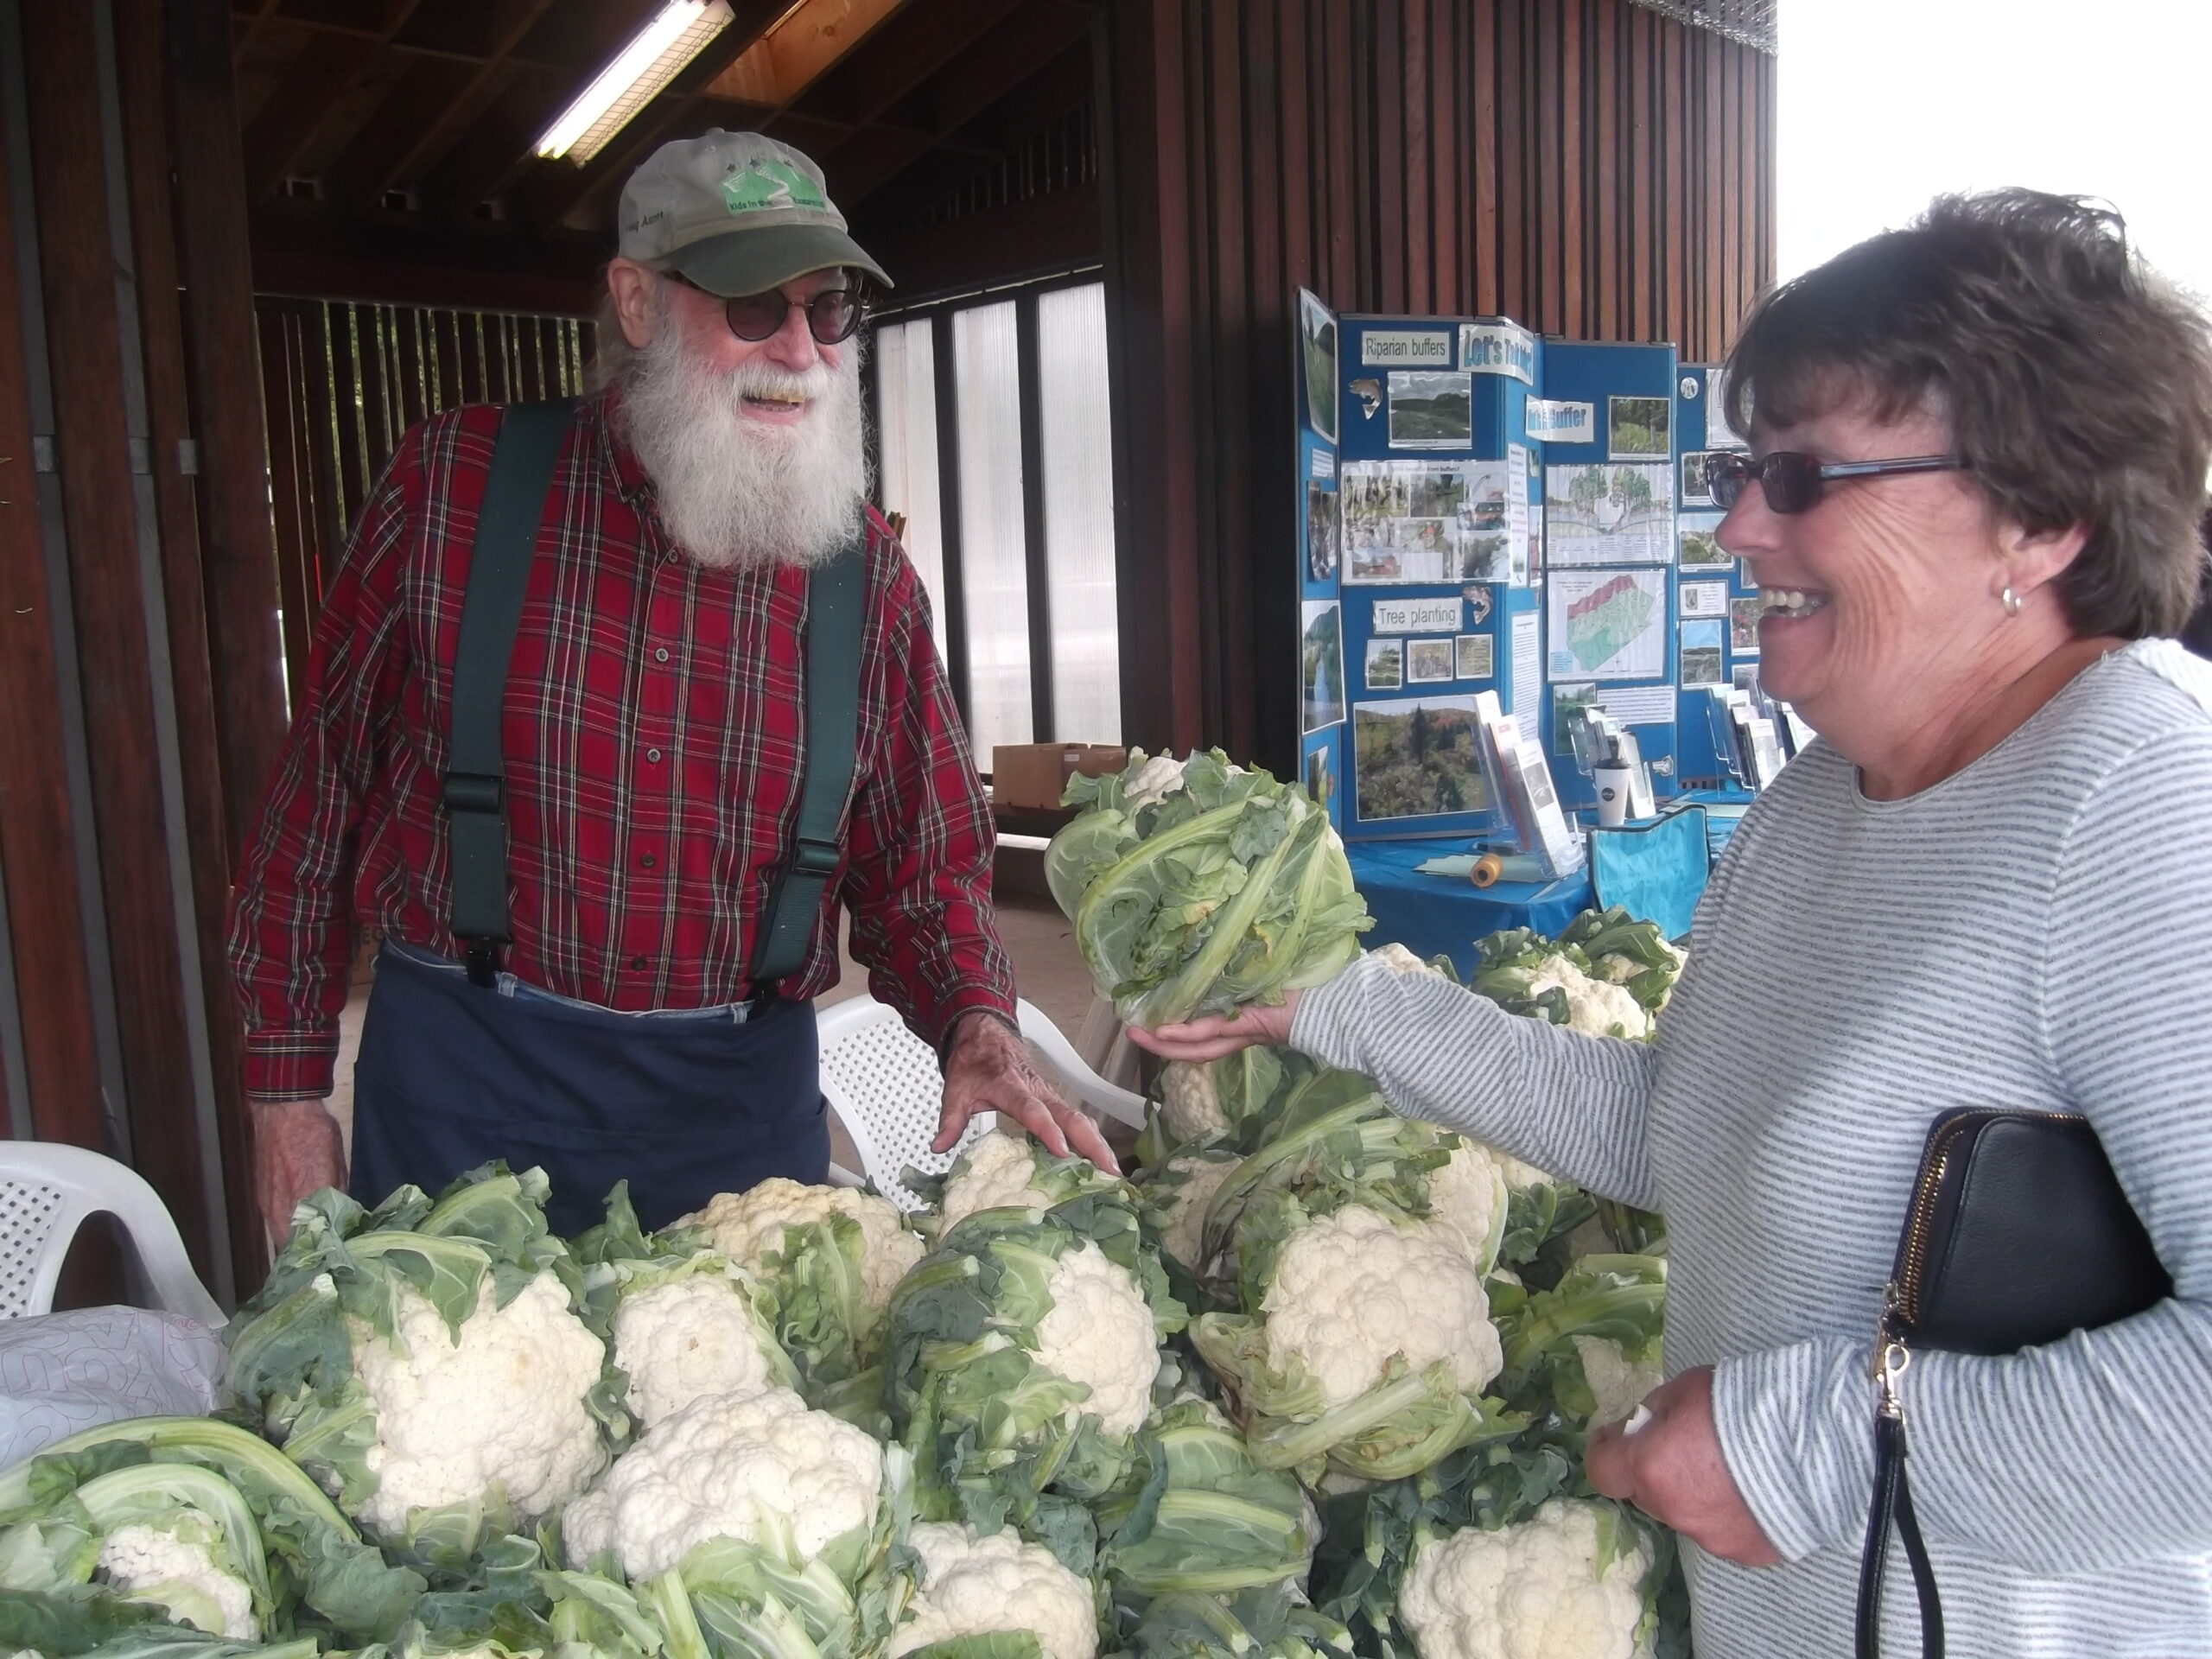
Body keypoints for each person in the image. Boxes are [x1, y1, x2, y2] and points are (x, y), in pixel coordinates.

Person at [1135, 191, 2212, 1657]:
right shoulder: (1818, 800)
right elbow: (1678, 1130)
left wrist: (1806, 1447)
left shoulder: (2144, 810)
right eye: (1739, 468)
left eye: (1803, 475)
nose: (1739, 523)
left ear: (2039, 516)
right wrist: (1335, 999)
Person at [228, 130, 1113, 1242]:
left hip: (733, 1121)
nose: (798, 349)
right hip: (463, 1093)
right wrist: (284, 1097)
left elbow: (923, 868)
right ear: (638, 302)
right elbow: (312, 806)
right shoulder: (453, 488)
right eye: (754, 304)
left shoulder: (869, 584)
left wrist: (978, 1025)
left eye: (827, 309)